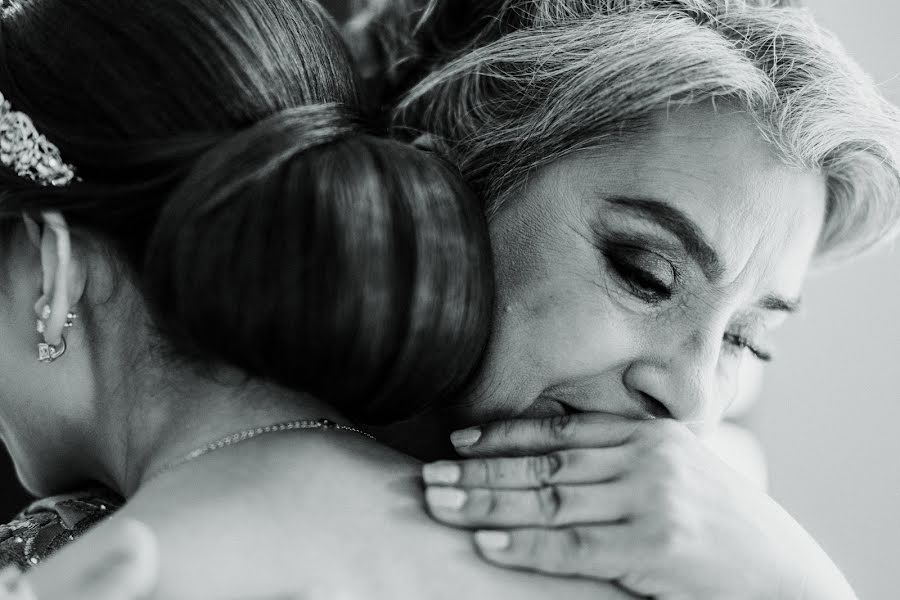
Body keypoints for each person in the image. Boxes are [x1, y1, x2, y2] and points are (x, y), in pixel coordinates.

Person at [343, 0, 900, 598]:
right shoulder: (269, 502)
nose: (691, 399)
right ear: (439, 196)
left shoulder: (712, 541)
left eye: (744, 338)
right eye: (647, 276)